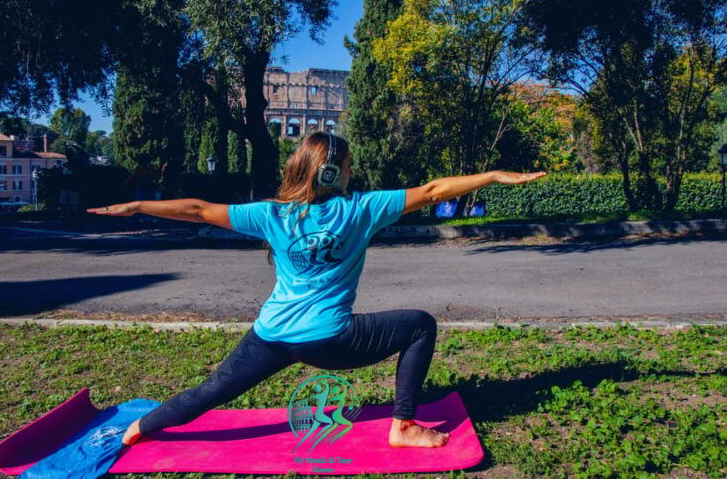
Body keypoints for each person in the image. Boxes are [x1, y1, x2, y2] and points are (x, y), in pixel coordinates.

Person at [87, 132, 546, 449]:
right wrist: (491, 176)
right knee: (420, 326)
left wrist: (137, 205)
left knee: (211, 391)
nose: (351, 174)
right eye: (346, 167)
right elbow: (432, 190)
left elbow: (199, 209)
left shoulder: (273, 214)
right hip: (330, 341)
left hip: (271, 335)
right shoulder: (362, 209)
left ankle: (141, 428)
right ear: (330, 174)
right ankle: (403, 426)